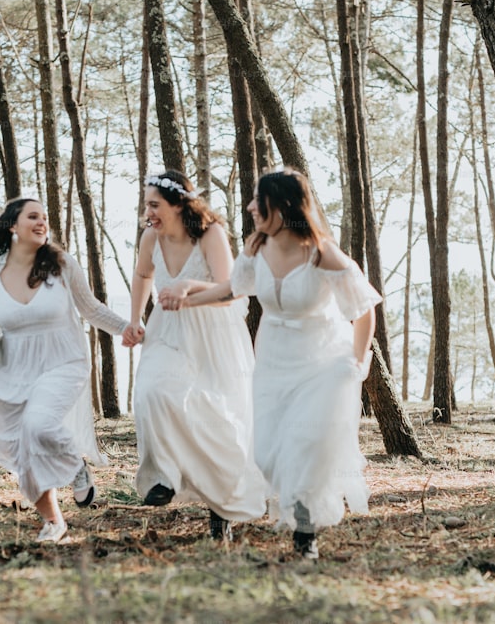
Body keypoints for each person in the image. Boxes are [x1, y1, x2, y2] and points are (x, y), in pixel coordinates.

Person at [161, 168, 380, 559]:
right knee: (267, 452)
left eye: (258, 200)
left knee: (306, 443)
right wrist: (188, 299)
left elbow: (363, 310)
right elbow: (232, 289)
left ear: (282, 206)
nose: (250, 207)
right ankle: (299, 514)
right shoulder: (256, 247)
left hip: (322, 361)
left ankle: (305, 533)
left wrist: (356, 362)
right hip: (274, 358)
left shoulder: (320, 252)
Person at [0, 198, 141, 544]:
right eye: (32, 216)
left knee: (39, 424)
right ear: (12, 226)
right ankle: (53, 522)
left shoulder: (61, 264)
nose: (41, 222)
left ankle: (75, 464)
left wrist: (127, 328)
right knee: (24, 450)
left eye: (44, 217)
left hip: (63, 362)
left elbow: (91, 308)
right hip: (14, 367)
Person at [126, 170, 266, 541]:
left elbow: (234, 288)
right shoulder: (150, 237)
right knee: (152, 392)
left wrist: (188, 285)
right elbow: (142, 276)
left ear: (177, 204)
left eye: (154, 205)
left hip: (213, 334)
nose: (149, 212)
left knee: (216, 417)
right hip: (167, 330)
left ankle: (221, 506)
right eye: (147, 205)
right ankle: (163, 477)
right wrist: (135, 319)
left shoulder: (210, 234)